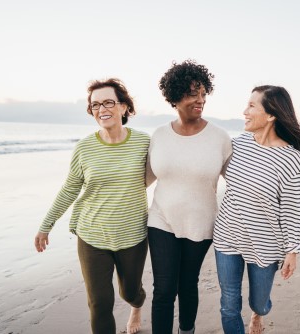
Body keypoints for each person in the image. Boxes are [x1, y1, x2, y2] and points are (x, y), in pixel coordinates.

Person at [34, 78, 150, 334]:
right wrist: (46, 226)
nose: (101, 109)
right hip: (92, 235)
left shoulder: (144, 143)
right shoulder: (84, 147)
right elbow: (70, 188)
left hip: (132, 235)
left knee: (131, 291)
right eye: (95, 105)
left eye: (108, 102)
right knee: (99, 303)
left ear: (124, 107)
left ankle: (137, 306)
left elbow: (167, 173)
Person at [213, 85, 300, 334]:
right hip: (227, 237)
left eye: (252, 106)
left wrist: (292, 250)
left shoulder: (290, 159)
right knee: (229, 305)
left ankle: (258, 315)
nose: (244, 111)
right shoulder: (236, 146)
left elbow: (294, 210)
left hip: (265, 243)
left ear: (271, 115)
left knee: (259, 303)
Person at [146, 59, 232, 334]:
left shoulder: (219, 137)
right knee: (163, 289)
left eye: (204, 94)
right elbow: (142, 179)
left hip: (201, 223)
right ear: (174, 96)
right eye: (193, 93)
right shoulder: (159, 135)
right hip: (161, 220)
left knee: (187, 283)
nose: (200, 100)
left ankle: (187, 330)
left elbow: (238, 182)